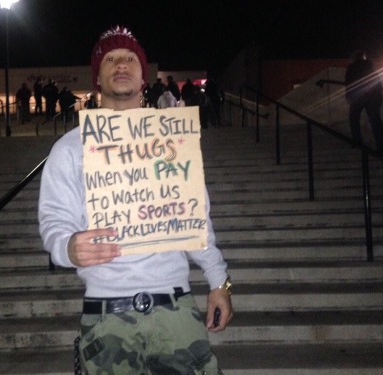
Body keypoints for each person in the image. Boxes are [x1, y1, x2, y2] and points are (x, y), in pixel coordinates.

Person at [38, 25, 233, 374]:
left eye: (130, 58)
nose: (121, 64)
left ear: (145, 76)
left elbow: (194, 215)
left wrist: (218, 280)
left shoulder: (172, 139)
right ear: (97, 76)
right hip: (106, 317)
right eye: (110, 59)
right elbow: (54, 218)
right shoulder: (70, 147)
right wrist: (67, 248)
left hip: (176, 309)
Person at [344, 50, 383, 152]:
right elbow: (378, 82)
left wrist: (349, 96)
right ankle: (381, 146)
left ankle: (357, 142)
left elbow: (349, 83)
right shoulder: (370, 66)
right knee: (375, 120)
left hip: (358, 96)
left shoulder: (352, 68)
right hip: (373, 96)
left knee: (354, 119)